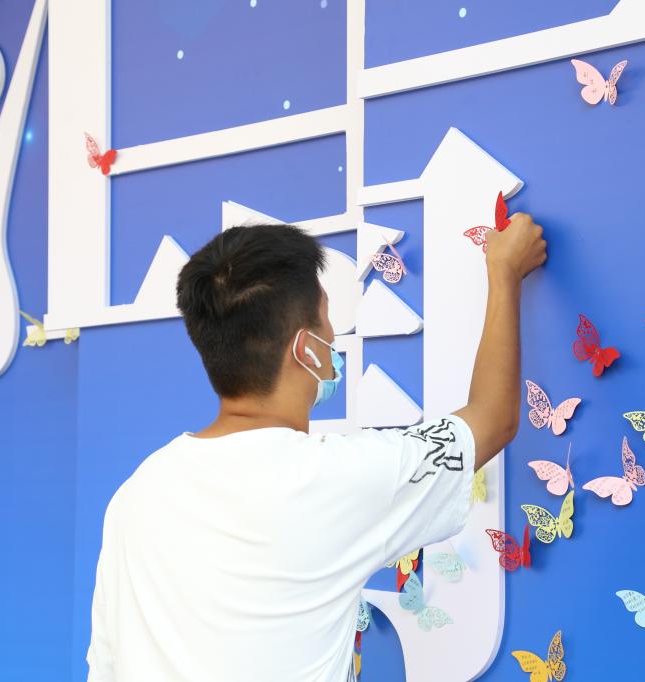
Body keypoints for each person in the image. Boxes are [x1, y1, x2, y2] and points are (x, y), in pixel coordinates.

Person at [85, 213, 547, 681]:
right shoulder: (334, 478)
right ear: (306, 349)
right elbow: (492, 419)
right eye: (327, 320)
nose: (333, 337)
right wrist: (504, 271)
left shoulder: (137, 493)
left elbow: (104, 664)